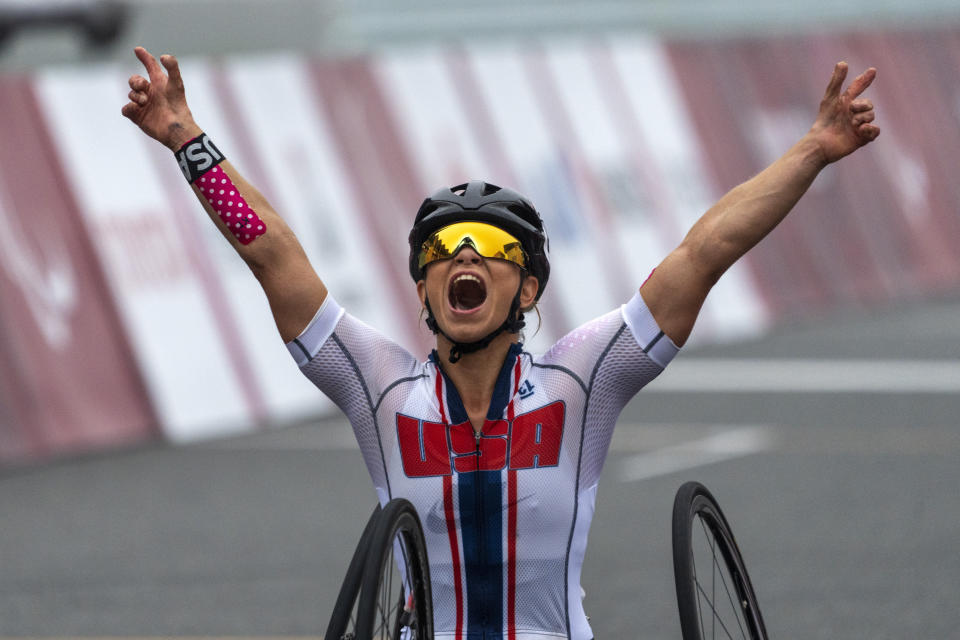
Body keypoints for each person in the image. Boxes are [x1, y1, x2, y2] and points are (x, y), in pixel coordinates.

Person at [122, 46, 879, 639]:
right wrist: (185, 136)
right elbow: (271, 251)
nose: (463, 256)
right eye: (442, 249)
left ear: (528, 290)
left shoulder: (584, 378)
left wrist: (812, 150)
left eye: (490, 246)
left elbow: (705, 249)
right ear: (422, 289)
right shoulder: (378, 385)